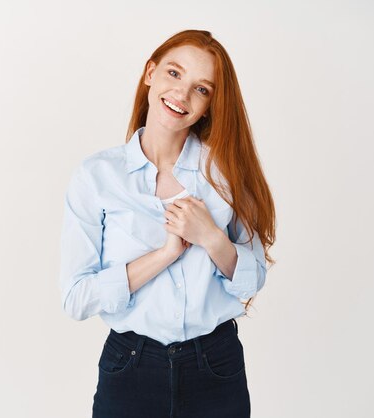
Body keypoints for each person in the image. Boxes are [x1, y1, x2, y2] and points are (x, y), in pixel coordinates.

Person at [59, 29, 276, 418]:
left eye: (201, 89)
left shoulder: (226, 175)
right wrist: (165, 254)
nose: (182, 95)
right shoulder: (97, 177)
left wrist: (211, 237)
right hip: (130, 367)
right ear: (150, 73)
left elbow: (252, 279)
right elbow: (76, 298)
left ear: (210, 105)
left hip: (216, 365)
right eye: (174, 74)